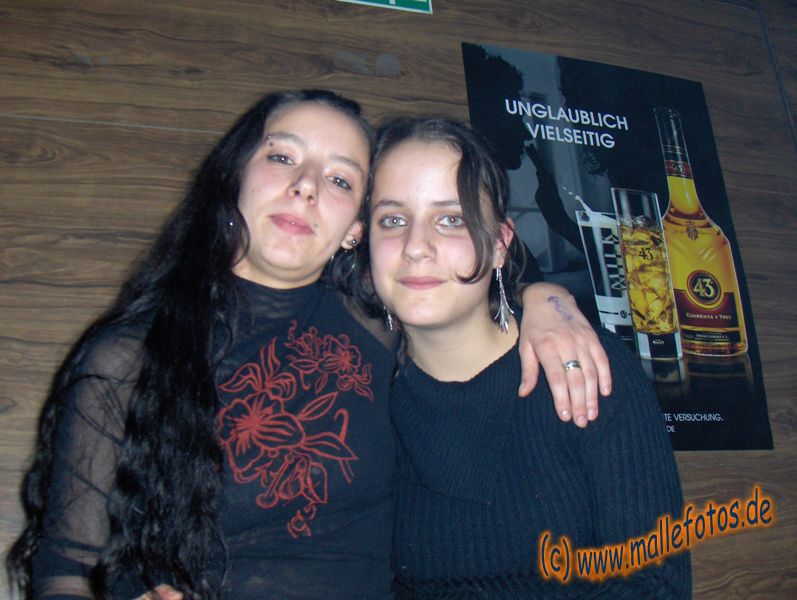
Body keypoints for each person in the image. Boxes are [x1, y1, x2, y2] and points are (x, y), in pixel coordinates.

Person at [7, 91, 611, 599]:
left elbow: (463, 284)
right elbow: (63, 569)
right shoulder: (128, 357)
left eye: (339, 178)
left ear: (355, 228)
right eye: (282, 157)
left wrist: (546, 299)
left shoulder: (382, 333)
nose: (305, 187)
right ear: (235, 176)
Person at [361, 116, 691, 597]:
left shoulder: (584, 365)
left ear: (500, 244)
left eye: (451, 219)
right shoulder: (361, 401)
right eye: (393, 220)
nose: (416, 247)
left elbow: (653, 583)